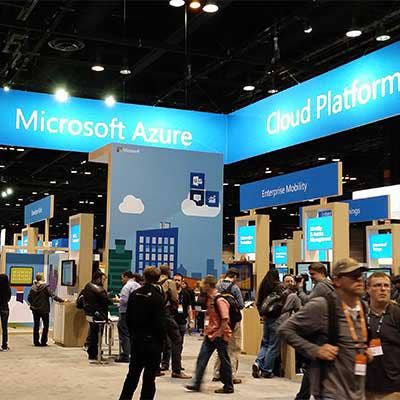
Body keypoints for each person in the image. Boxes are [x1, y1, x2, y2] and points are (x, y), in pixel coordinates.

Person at [279, 258, 371, 400]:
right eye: (353, 276)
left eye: (360, 275)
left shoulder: (363, 307)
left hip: (357, 391)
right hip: (331, 392)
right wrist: (315, 350)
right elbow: (285, 329)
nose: (359, 279)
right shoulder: (323, 306)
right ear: (337, 281)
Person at [119, 266, 166, 400]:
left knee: (132, 375)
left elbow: (128, 317)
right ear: (158, 278)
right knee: (149, 378)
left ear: (144, 277)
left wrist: (133, 335)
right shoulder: (158, 297)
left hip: (137, 340)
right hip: (153, 343)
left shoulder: (135, 294)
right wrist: (161, 343)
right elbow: (161, 323)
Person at [184, 275, 234, 394]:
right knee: (202, 358)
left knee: (224, 360)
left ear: (207, 285)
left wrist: (219, 333)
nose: (201, 285)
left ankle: (228, 386)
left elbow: (225, 318)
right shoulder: (210, 299)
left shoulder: (219, 300)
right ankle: (197, 383)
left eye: (203, 283)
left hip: (219, 335)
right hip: (210, 334)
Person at [294, 263, 335, 400]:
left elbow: (308, 302)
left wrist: (300, 289)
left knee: (312, 367)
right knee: (313, 367)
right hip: (325, 330)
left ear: (322, 273)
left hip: (320, 331)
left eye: (313, 274)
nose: (311, 277)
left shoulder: (322, 286)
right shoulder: (329, 285)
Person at [366, 272, 400, 400]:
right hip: (365, 385)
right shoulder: (361, 313)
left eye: (386, 285)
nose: (383, 289)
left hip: (393, 387)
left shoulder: (397, 313)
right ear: (368, 289)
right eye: (377, 285)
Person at [158, 265, 191, 379]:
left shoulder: (154, 283)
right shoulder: (169, 282)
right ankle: (176, 370)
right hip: (166, 314)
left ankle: (156, 368)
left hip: (154, 315)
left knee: (159, 341)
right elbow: (174, 298)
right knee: (177, 340)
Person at [213, 267, 244, 384]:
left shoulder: (217, 286)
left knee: (221, 347)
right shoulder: (234, 288)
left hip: (220, 320)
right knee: (234, 348)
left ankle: (217, 373)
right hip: (233, 321)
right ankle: (231, 375)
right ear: (235, 277)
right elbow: (241, 304)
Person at [252, 267, 282, 379]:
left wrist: (262, 314)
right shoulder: (279, 287)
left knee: (265, 343)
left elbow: (258, 302)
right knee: (273, 346)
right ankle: (267, 370)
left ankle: (258, 362)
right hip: (276, 318)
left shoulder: (263, 286)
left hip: (266, 318)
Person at [80, 271, 113, 362]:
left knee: (93, 334)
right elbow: (107, 301)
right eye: (103, 279)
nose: (104, 281)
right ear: (98, 279)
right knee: (97, 335)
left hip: (90, 314)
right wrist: (112, 300)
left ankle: (92, 352)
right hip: (98, 316)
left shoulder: (88, 286)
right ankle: (95, 353)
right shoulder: (99, 289)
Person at [27, 272, 66, 347]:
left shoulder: (33, 287)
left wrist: (33, 304)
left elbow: (29, 298)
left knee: (36, 325)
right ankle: (43, 342)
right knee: (46, 326)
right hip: (44, 309)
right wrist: (62, 300)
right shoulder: (45, 287)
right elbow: (53, 296)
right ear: (42, 278)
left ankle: (36, 342)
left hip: (35, 309)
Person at [115, 271, 141, 363]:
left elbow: (124, 301)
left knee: (124, 333)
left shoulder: (126, 287)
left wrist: (117, 300)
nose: (121, 280)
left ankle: (126, 355)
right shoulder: (138, 286)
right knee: (133, 334)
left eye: (122, 278)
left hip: (125, 313)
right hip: (136, 313)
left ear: (126, 277)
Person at [0, 274, 11, 351]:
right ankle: (4, 345)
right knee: (4, 328)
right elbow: (8, 299)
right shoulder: (7, 289)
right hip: (4, 308)